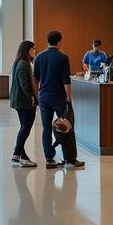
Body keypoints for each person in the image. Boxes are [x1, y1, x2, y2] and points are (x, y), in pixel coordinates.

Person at [33, 29, 84, 170]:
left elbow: (36, 78)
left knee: (46, 128)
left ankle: (49, 159)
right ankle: (70, 159)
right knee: (67, 127)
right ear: (60, 41)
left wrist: (37, 95)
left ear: (47, 41)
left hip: (43, 97)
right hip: (59, 97)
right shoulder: (63, 57)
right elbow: (66, 80)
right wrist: (69, 99)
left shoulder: (39, 57)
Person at [8, 40, 37, 168]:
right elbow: (24, 83)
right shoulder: (24, 64)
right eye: (33, 49)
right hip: (24, 102)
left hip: (19, 101)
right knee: (26, 128)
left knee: (23, 127)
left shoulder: (18, 63)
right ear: (27, 50)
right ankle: (16, 153)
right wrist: (31, 97)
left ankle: (22, 156)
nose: (34, 51)